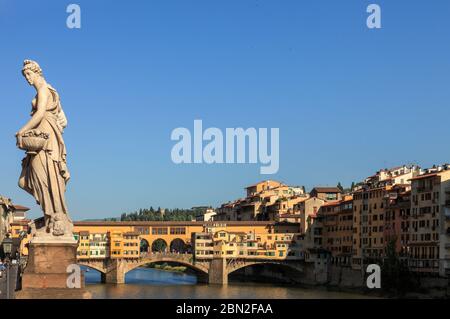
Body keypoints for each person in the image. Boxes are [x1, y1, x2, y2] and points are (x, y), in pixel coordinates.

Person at [16, 60, 73, 237]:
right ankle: (49, 216)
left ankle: (55, 218)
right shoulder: (47, 89)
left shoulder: (43, 89)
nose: (27, 79)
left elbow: (41, 113)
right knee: (27, 181)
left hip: (46, 140)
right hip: (41, 137)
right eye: (25, 76)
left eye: (28, 74)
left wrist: (23, 130)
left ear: (36, 73)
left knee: (46, 178)